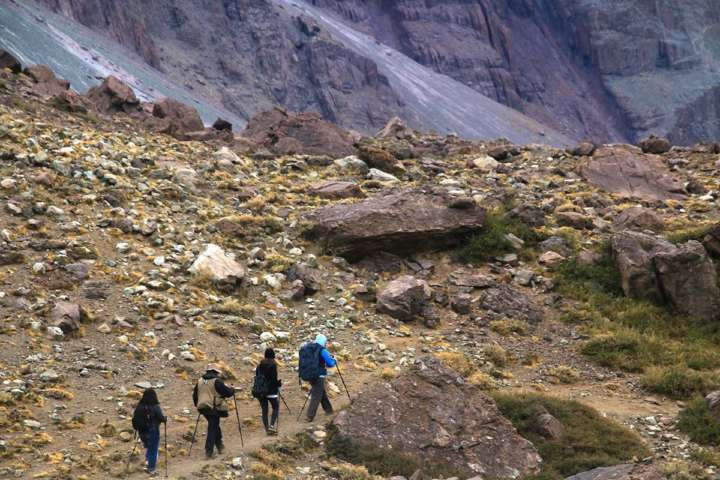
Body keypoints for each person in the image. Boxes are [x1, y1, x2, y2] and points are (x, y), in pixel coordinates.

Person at [192, 364, 236, 459]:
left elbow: (195, 395)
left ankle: (220, 446)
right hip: (213, 408)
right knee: (212, 427)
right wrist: (232, 390)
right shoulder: (217, 381)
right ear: (215, 372)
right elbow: (227, 393)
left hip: (202, 407)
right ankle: (209, 451)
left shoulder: (199, 381)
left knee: (214, 425)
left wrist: (197, 405)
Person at [299, 333, 336, 422]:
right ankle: (309, 416)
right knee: (316, 395)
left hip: (308, 374)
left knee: (320, 391)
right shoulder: (322, 350)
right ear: (324, 342)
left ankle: (329, 410)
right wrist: (334, 360)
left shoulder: (306, 348)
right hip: (319, 375)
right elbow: (330, 363)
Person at [132, 388, 167, 474]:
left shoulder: (140, 406)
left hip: (141, 432)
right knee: (153, 449)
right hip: (152, 431)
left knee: (149, 447)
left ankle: (147, 461)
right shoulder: (155, 406)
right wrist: (165, 419)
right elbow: (161, 418)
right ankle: (151, 468)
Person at [253, 348, 282, 435]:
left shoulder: (259, 365)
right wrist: (278, 384)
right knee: (275, 407)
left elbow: (258, 377)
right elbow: (273, 379)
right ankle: (272, 426)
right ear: (273, 355)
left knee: (264, 410)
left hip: (260, 391)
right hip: (271, 391)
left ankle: (267, 429)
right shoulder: (273, 365)